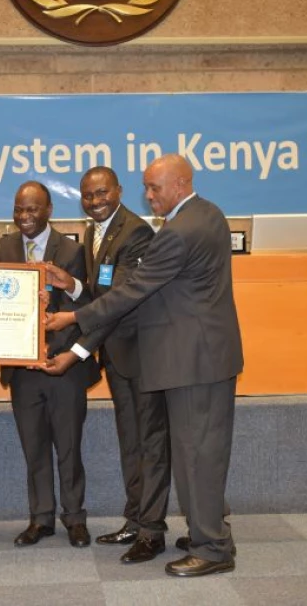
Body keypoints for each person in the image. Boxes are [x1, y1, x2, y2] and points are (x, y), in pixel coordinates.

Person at [45, 154, 243, 578]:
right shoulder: (209, 214)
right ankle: (211, 534)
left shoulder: (177, 232)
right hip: (200, 357)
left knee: (197, 457)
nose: (148, 195)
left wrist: (75, 317)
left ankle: (212, 549)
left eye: (154, 188)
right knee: (198, 453)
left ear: (180, 183)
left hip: (193, 361)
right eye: (147, 187)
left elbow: (133, 290)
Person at [41, 167, 172, 564]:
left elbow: (119, 302)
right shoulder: (94, 232)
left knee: (149, 446)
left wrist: (75, 347)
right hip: (118, 358)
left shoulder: (135, 232)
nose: (95, 201)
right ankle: (135, 520)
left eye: (102, 193)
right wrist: (71, 286)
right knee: (131, 443)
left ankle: (152, 532)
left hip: (141, 356)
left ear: (118, 190)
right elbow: (100, 292)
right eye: (87, 195)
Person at [0, 181, 100, 549]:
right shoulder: (4, 247)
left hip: (64, 365)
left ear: (49, 209)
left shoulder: (73, 249)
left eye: (32, 209)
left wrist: (67, 283)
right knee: (34, 448)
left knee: (68, 447)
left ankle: (74, 518)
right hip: (22, 369)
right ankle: (40, 519)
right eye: (19, 209)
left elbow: (91, 301)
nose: (24, 217)